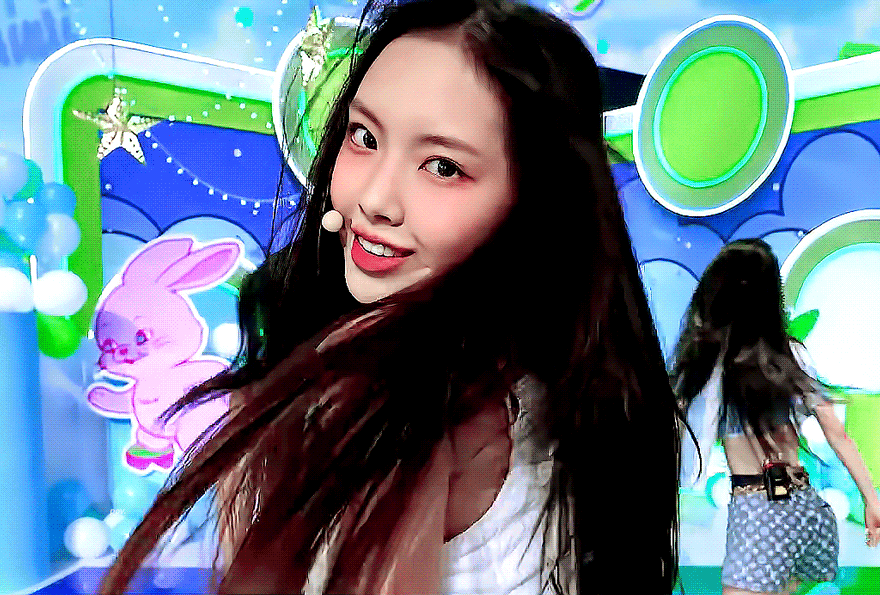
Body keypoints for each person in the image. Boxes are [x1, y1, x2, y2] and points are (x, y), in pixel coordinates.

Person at [98, 1, 681, 593]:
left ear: (534, 203)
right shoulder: (565, 382)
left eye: (443, 167)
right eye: (364, 136)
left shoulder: (404, 395)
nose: (376, 199)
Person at [672, 239, 880, 595]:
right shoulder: (791, 355)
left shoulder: (712, 368)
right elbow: (838, 436)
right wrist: (872, 500)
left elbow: (689, 457)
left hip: (759, 512)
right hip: (806, 509)